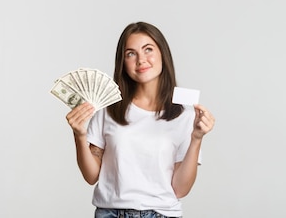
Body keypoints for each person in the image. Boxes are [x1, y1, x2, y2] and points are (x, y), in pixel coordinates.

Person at [64, 21, 215, 218]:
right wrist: (79, 135)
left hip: (162, 214)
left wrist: (196, 138)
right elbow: (91, 176)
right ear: (123, 62)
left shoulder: (185, 115)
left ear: (163, 54)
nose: (141, 60)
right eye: (131, 53)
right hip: (110, 213)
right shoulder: (108, 109)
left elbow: (180, 190)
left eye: (148, 50)